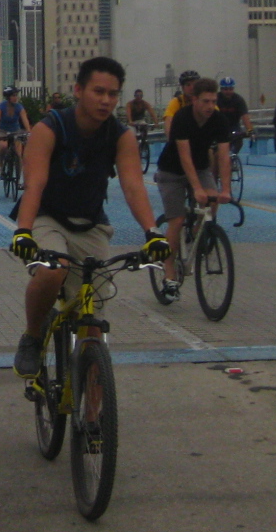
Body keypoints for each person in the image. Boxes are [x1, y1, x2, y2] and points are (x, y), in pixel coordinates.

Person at [10, 57, 169, 376]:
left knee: (93, 327)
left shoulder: (120, 135)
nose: (106, 100)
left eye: (113, 94)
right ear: (78, 90)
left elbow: (133, 186)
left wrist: (153, 232)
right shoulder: (50, 128)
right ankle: (32, 335)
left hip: (91, 222)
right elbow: (35, 183)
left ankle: (94, 419)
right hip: (47, 216)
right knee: (55, 271)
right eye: (98, 91)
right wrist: (23, 231)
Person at [154, 77, 231, 299]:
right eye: (205, 101)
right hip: (172, 170)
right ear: (194, 100)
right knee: (176, 221)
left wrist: (225, 189)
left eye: (213, 101)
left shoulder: (219, 120)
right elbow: (184, 156)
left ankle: (198, 231)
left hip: (201, 167)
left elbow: (224, 156)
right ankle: (169, 277)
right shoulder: (182, 118)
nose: (210, 106)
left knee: (212, 202)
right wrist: (197, 189)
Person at [214, 76, 254, 153]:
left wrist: (250, 131)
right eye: (225, 89)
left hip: (233, 126)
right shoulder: (216, 99)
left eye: (230, 89)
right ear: (221, 89)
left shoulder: (238, 100)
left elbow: (245, 117)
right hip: (219, 126)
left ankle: (233, 157)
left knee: (239, 141)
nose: (228, 91)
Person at [0, 85, 30, 163]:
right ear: (8, 97)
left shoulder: (19, 107)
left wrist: (28, 131)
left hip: (15, 130)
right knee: (3, 147)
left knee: (18, 152)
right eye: (13, 96)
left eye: (16, 95)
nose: (15, 97)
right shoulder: (1, 106)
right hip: (3, 130)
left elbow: (25, 119)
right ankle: (0, 165)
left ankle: (19, 172)